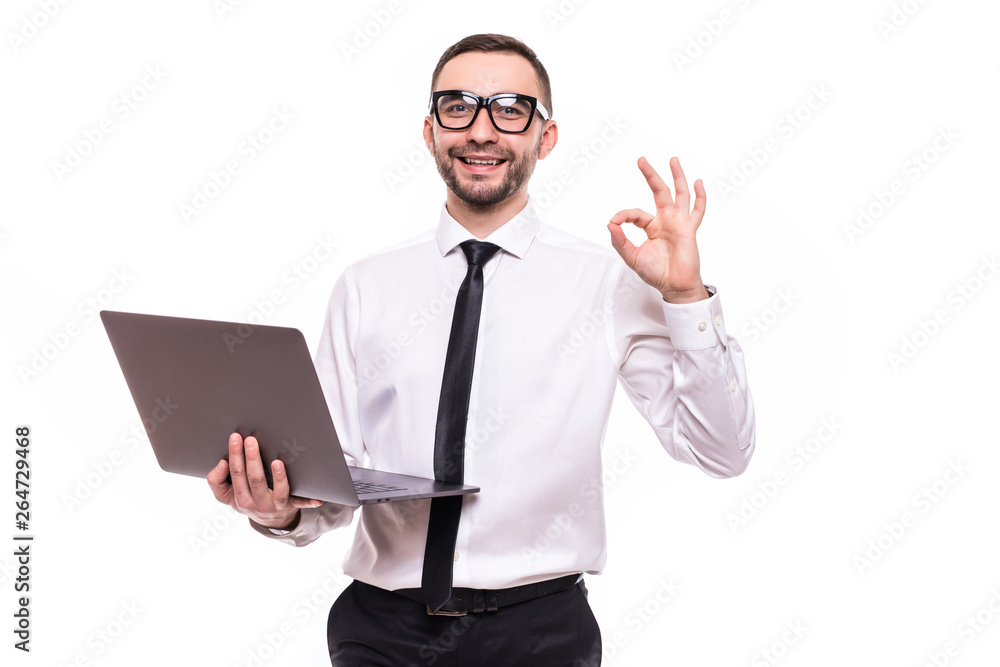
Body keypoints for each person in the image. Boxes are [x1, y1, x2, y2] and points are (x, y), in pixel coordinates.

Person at [207, 33, 755, 666]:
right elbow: (335, 478)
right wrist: (279, 511)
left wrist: (686, 297)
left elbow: (722, 452)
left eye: (510, 109)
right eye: (459, 106)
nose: (482, 130)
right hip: (380, 630)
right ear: (430, 129)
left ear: (545, 138)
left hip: (539, 634)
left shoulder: (607, 283)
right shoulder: (366, 285)